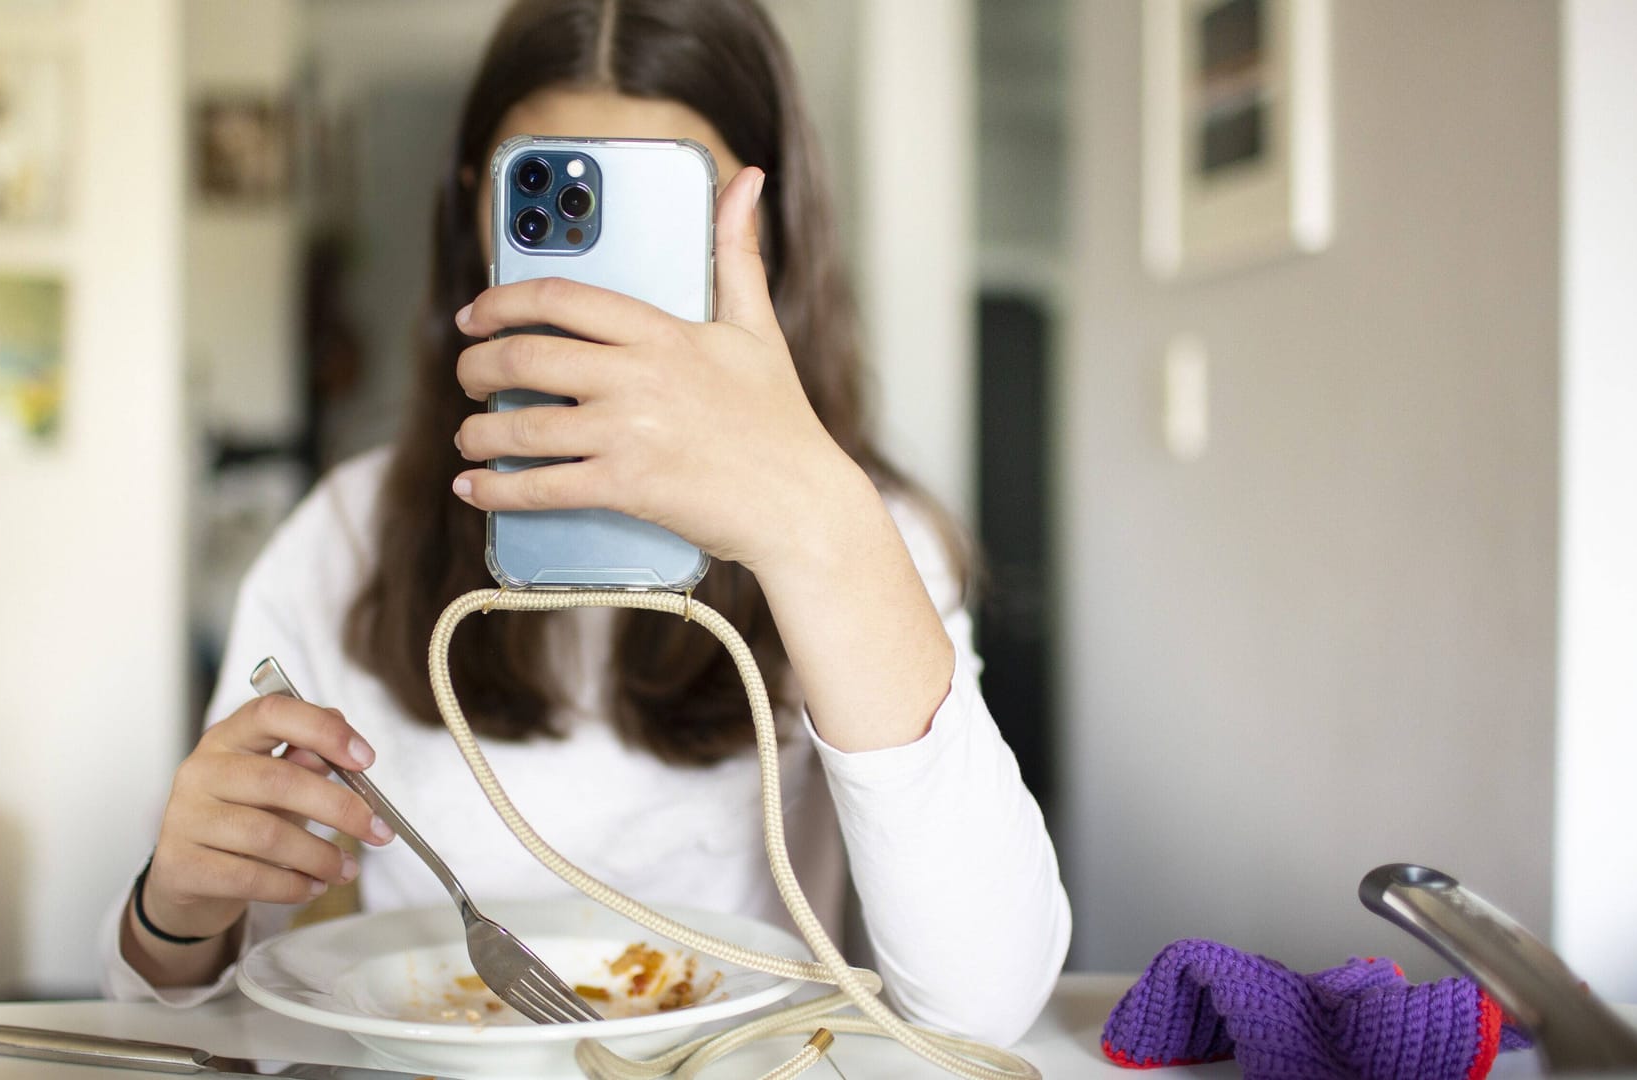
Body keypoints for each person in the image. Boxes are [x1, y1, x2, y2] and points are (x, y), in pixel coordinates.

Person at [99, 0, 1069, 1047]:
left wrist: (817, 523)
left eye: (661, 212)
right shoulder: (342, 537)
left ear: (766, 230)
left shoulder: (865, 538)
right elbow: (188, 1008)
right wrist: (174, 914)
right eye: (553, 196)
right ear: (476, 210)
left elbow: (984, 1011)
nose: (602, 282)